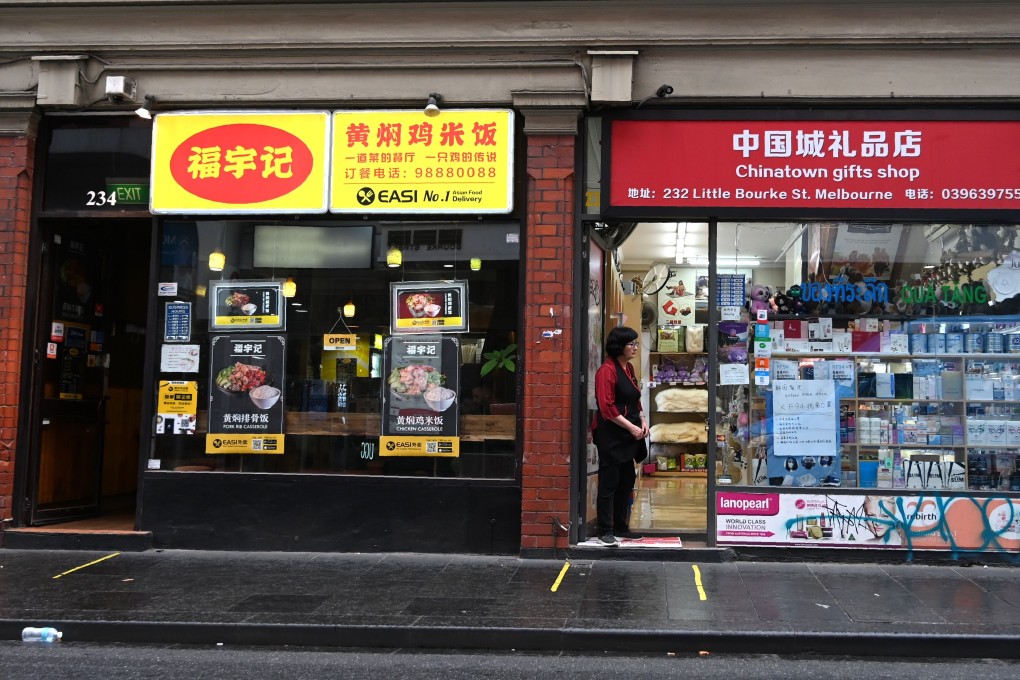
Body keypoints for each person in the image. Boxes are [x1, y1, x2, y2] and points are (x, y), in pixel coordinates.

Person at [591, 325, 648, 546]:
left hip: (628, 433)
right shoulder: (606, 370)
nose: (635, 347)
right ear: (619, 346)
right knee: (609, 482)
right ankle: (604, 530)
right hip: (612, 434)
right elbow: (607, 408)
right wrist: (630, 427)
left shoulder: (629, 368)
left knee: (627, 480)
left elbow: (635, 398)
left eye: (635, 343)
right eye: (631, 343)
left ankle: (620, 527)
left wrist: (642, 420)